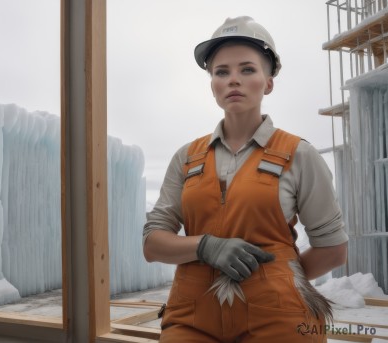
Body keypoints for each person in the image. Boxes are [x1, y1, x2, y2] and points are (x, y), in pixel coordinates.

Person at [142, 16, 348, 342]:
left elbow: (333, 250)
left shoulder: (299, 154)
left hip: (278, 316)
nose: (233, 80)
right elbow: (153, 243)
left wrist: (274, 280)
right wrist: (206, 247)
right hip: (191, 317)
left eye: (247, 69)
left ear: (268, 82)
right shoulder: (186, 157)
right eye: (221, 72)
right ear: (212, 84)